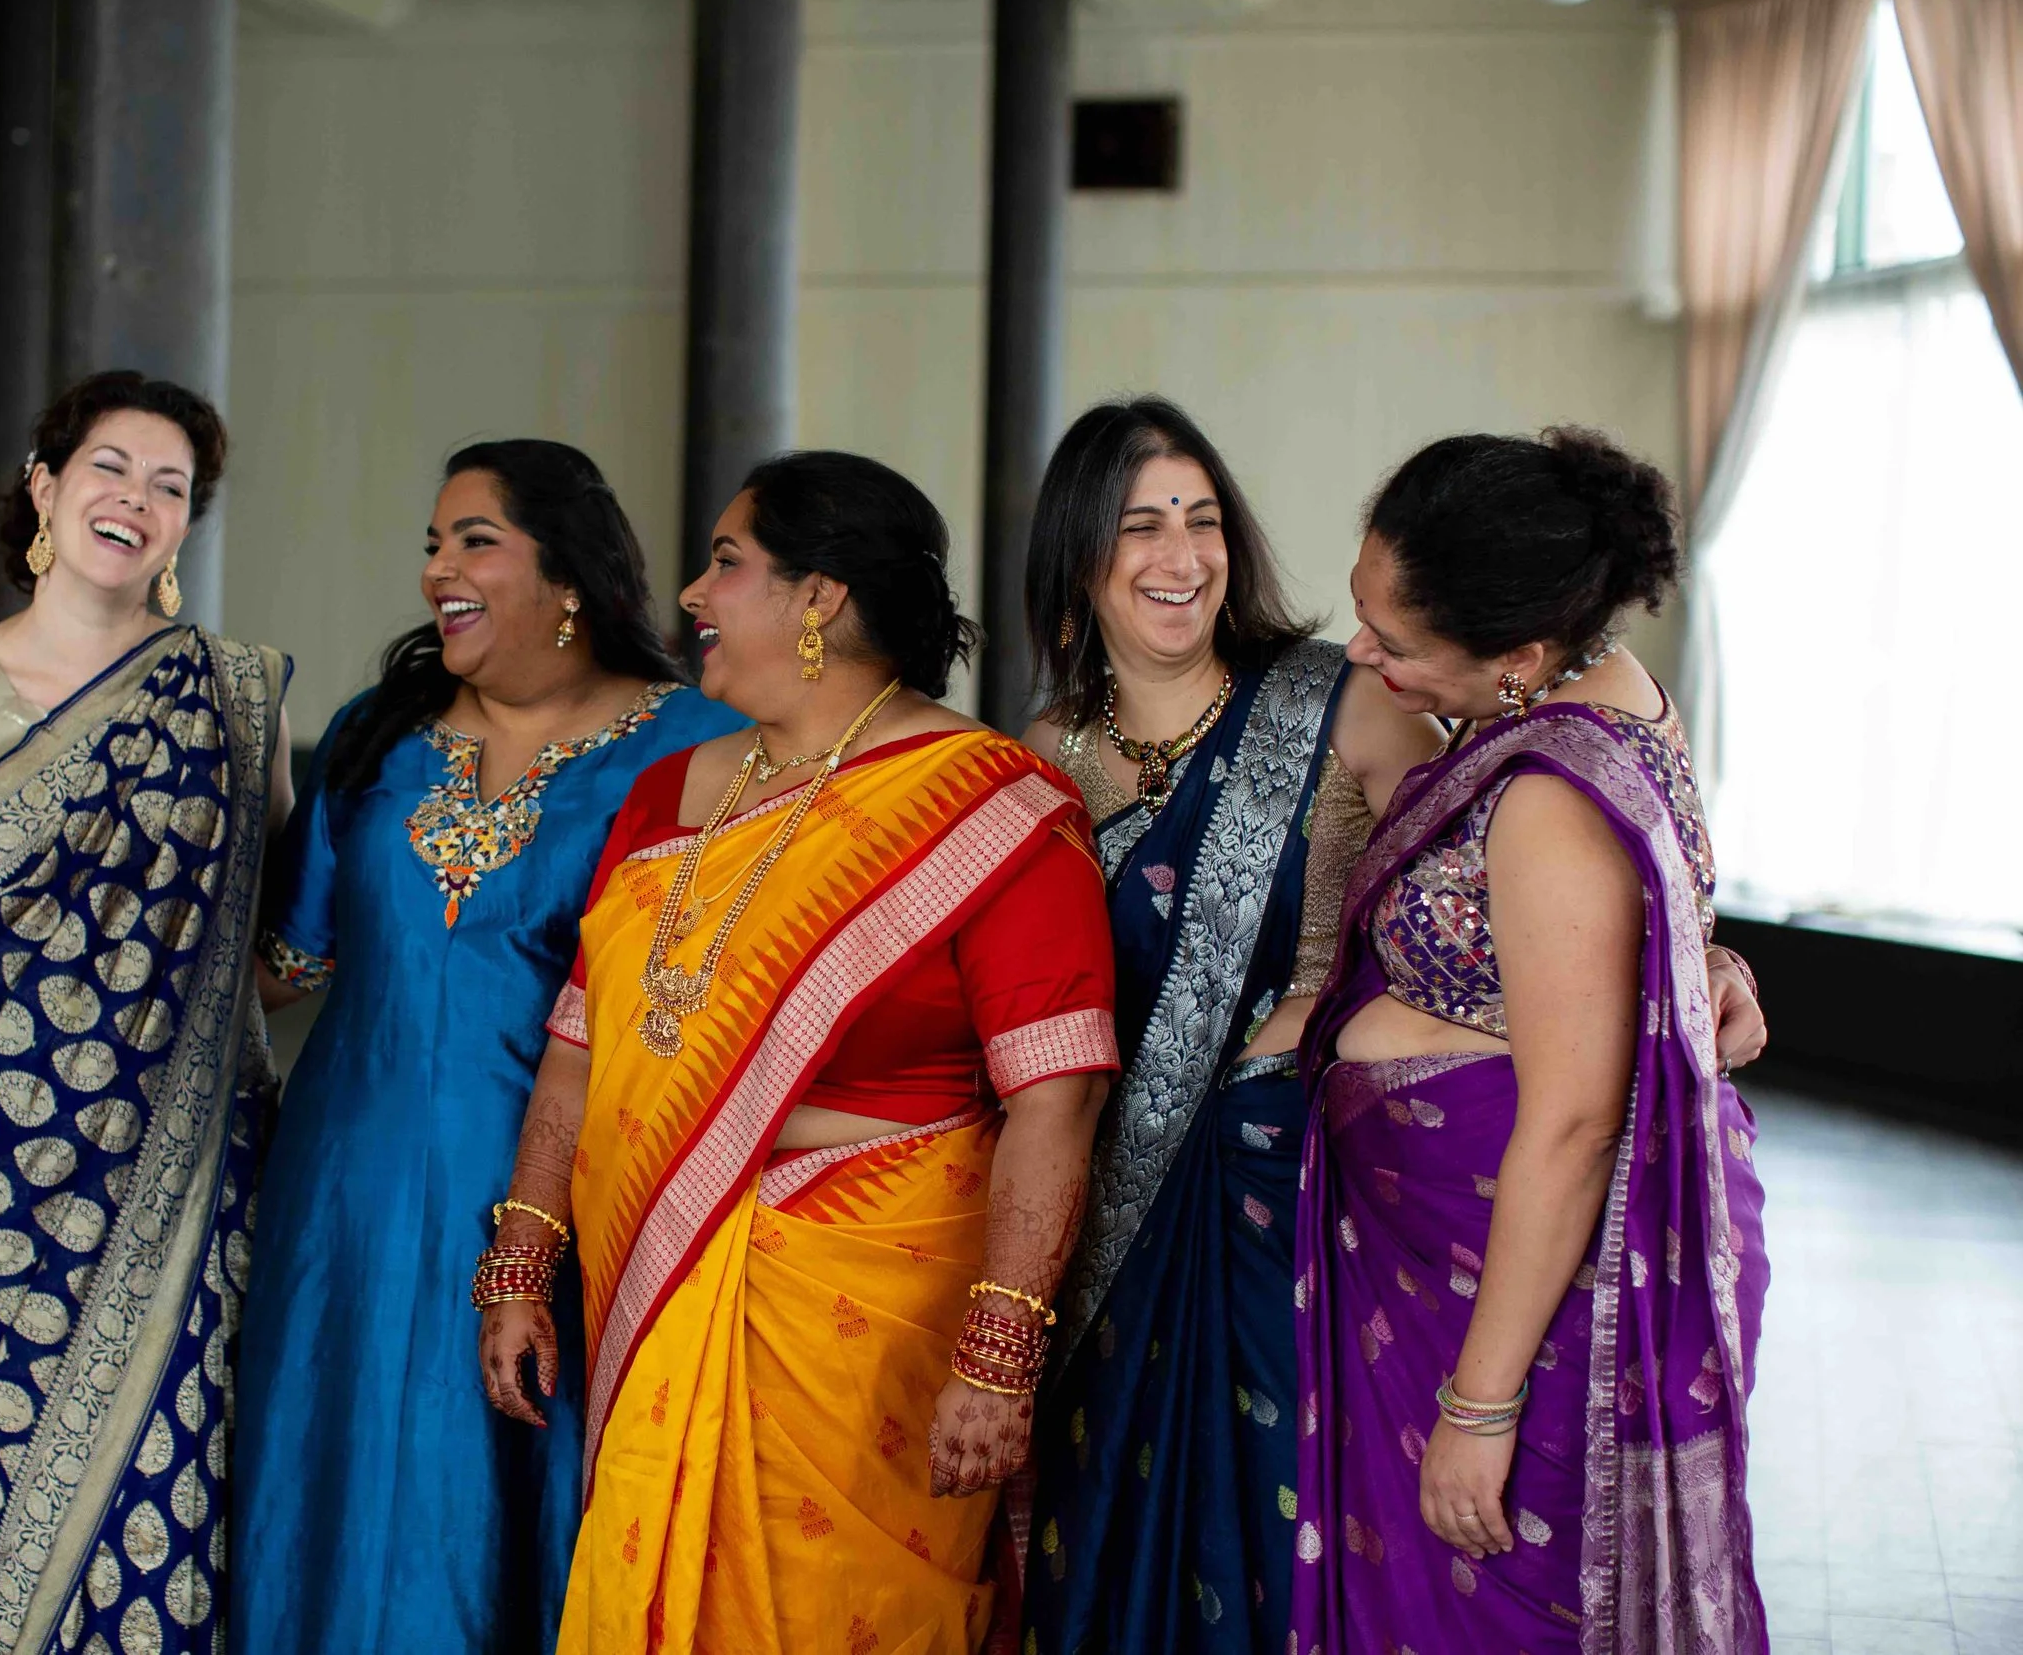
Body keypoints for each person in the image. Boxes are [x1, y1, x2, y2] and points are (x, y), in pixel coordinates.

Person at [479, 451, 1119, 1654]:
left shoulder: (988, 803)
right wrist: (521, 1255)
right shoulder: (667, 793)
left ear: (817, 597)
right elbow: (582, 1044)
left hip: (868, 1321)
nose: (691, 595)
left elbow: (1059, 1097)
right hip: (663, 1275)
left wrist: (999, 1352)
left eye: (728, 563)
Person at [228, 441, 739, 1654]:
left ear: (566, 574)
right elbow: (288, 967)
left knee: (503, 1492)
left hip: (547, 1193)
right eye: (429, 543)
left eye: (473, 540)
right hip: (340, 1194)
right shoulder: (379, 735)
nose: (435, 571)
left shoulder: (699, 746)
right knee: (328, 1480)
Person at [0, 371, 291, 1655]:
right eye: (109, 467)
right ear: (43, 483)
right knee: (10, 1530)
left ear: (189, 522)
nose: (134, 500)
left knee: (178, 1512)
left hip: (188, 1174)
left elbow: (274, 950)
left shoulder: (239, 700)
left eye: (170, 485)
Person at [1291, 429, 1771, 1653]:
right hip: (1454, 1253)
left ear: (1519, 654)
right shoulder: (1592, 700)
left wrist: (1480, 1402)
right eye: (1364, 613)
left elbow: (1572, 1117)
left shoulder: (1552, 791)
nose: (1361, 653)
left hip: (1520, 1296)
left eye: (1394, 644)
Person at [1016, 397, 1444, 1655]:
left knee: (1284, 1510)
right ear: (1080, 554)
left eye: (1202, 521)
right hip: (1109, 1196)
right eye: (1142, 524)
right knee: (1106, 1508)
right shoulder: (1043, 751)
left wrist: (1694, 940)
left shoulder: (1333, 701)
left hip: (1300, 1181)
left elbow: (1489, 870)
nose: (1181, 554)